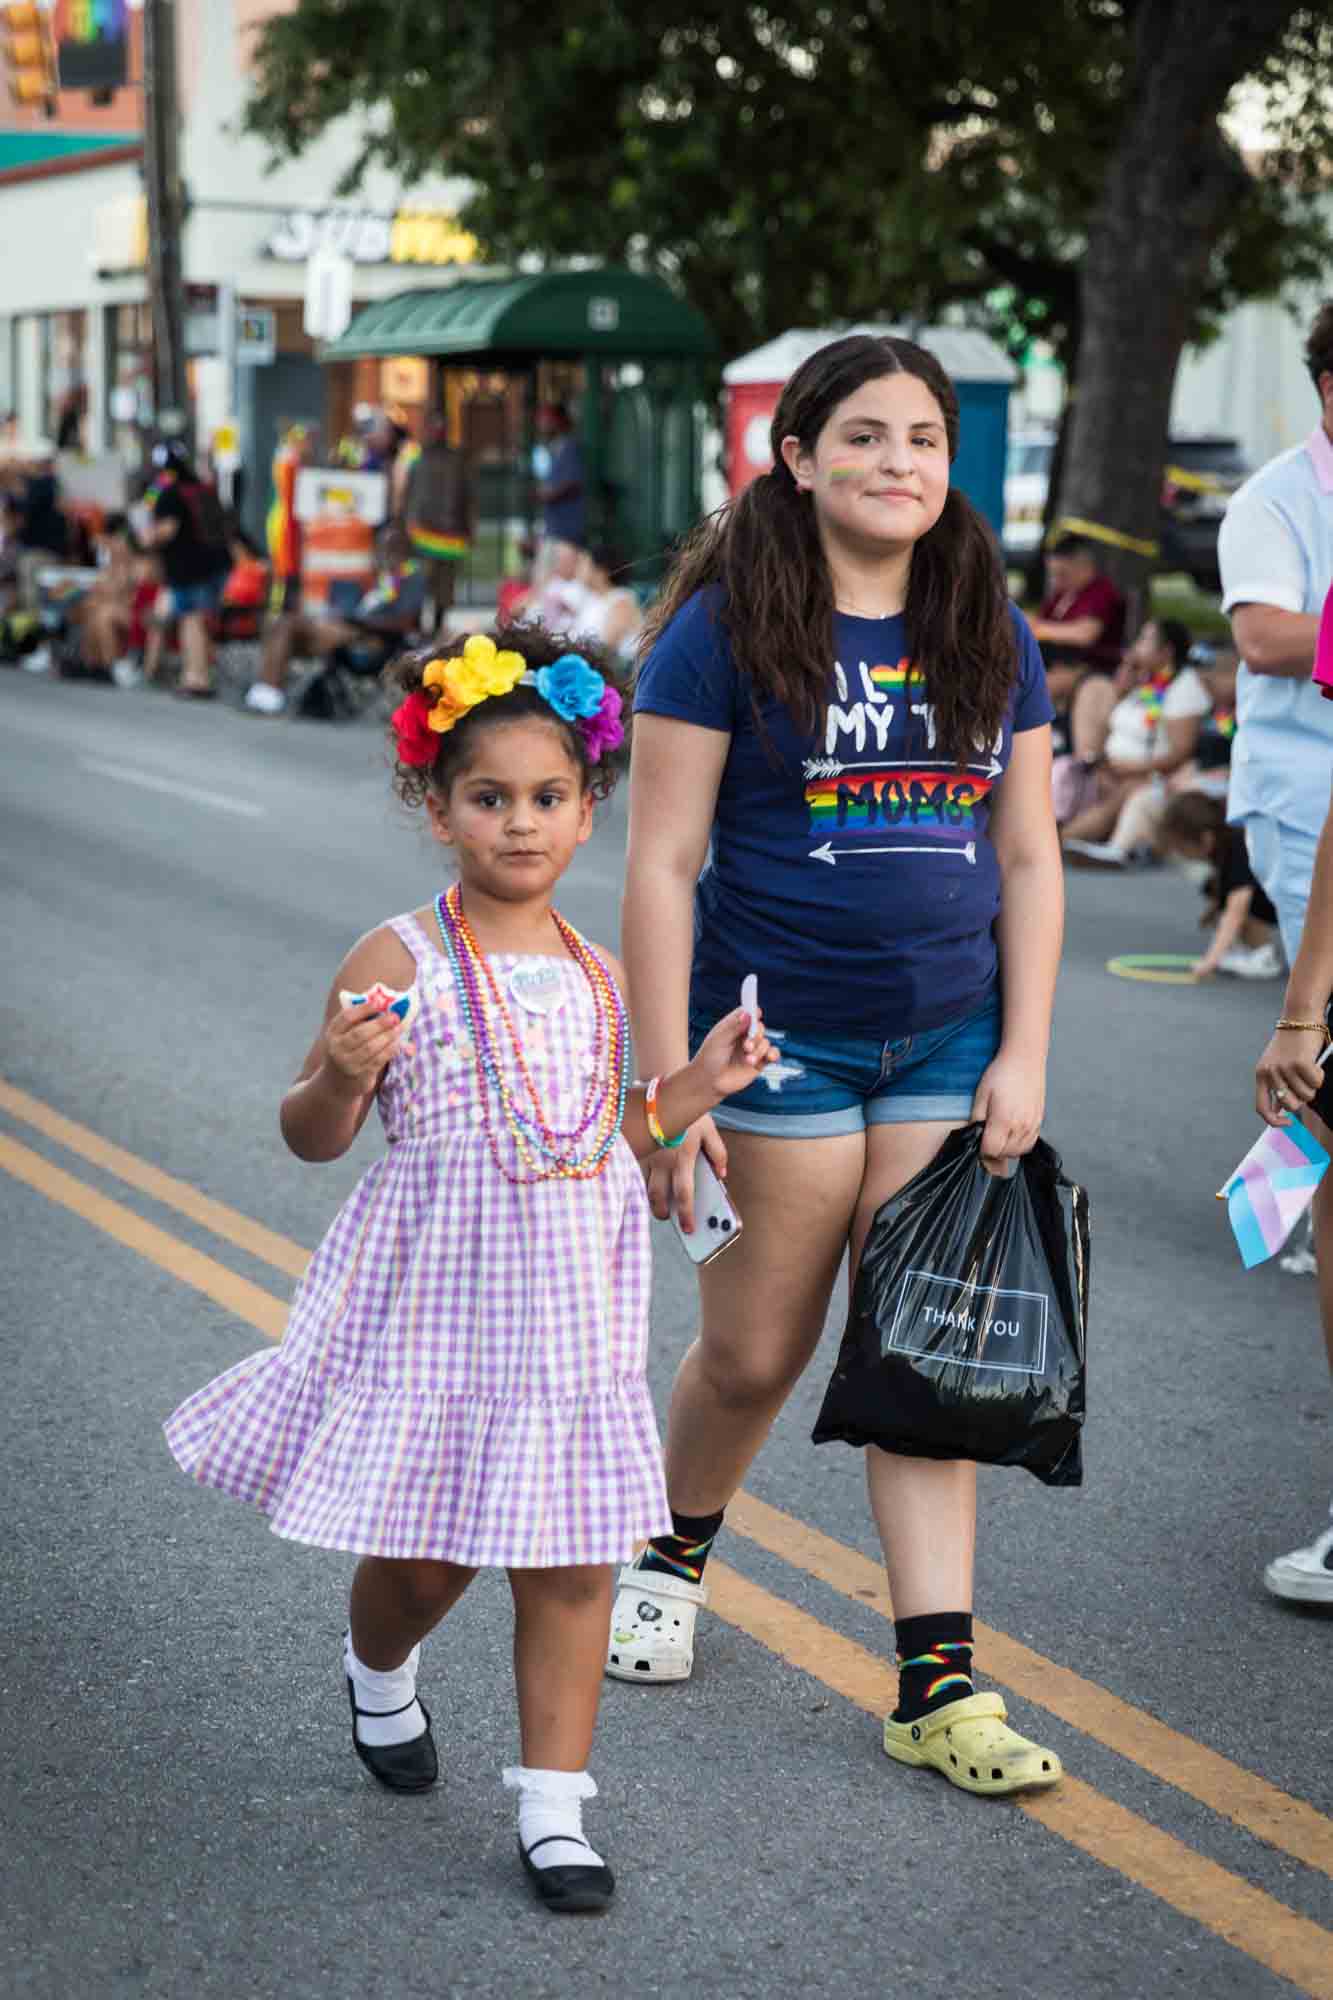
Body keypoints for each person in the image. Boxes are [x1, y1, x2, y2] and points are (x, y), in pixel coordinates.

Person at [163, 624, 775, 1909]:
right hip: (443, 1319)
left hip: (574, 1327)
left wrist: (693, 1089)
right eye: (487, 798)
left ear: (589, 807)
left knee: (571, 1564)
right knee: (431, 1561)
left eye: (548, 798)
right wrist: (335, 1073)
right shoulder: (400, 958)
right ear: (434, 807)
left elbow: (605, 1133)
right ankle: (376, 1666)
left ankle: (555, 1808)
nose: (520, 823)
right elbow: (312, 1133)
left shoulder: (603, 973)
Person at [617, 332, 1066, 1799]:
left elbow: (1027, 851)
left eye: (923, 439)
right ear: (797, 458)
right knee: (755, 1352)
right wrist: (668, 1084)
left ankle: (938, 1683)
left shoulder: (986, 624)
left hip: (944, 1039)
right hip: (775, 1042)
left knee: (921, 1355)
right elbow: (662, 864)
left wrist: (1025, 1054)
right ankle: (670, 1550)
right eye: (863, 437)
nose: (898, 464)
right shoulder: (724, 633)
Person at [1222, 299, 1333, 1598]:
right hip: (1305, 801)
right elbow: (1260, 634)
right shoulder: (1275, 498)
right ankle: (1290, 1181)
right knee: (1318, 1050)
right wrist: (1300, 1013)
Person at [1058, 617, 1207, 863]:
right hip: (1112, 770)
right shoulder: (1146, 682)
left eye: (1145, 640)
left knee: (1126, 791)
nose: (1136, 646)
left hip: (1147, 776)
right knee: (1066, 771)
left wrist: (1134, 768)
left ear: (1166, 651)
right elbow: (1117, 719)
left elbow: (1181, 751)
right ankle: (1047, 836)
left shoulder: (1183, 688)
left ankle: (1062, 841)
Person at [244, 524, 427, 716]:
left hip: (370, 638)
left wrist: (360, 622)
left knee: (289, 626)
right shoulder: (376, 579)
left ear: (405, 549)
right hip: (345, 628)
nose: (386, 552)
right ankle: (267, 690)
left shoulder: (411, 578)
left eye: (393, 546)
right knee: (282, 624)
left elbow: (406, 623)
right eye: (382, 546)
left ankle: (268, 694)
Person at [1159, 791, 1282, 980]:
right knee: (1217, 892)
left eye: (1181, 846)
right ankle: (1246, 949)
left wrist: (1211, 960)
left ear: (1205, 839)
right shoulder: (1225, 843)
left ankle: (1263, 956)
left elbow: (1237, 909)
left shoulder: (1238, 845)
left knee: (1236, 900)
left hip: (1290, 898)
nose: (1180, 853)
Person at [143, 442, 232, 699]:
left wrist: (147, 537)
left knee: (191, 620)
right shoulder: (203, 488)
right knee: (202, 620)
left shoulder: (168, 493)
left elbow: (167, 530)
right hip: (216, 564)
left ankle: (196, 677)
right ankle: (199, 672)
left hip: (187, 568)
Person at [1027, 533, 1127, 710]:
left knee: (1033, 689)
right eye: (1052, 574)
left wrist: (1037, 628)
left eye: (1062, 574)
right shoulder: (1061, 595)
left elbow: (1084, 634)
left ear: (1083, 566)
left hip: (1092, 668)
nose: (1056, 580)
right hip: (1054, 662)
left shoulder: (1101, 591)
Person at [402, 419, 474, 627]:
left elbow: (469, 498)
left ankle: (435, 626)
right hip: (423, 532)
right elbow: (408, 495)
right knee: (420, 581)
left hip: (447, 534)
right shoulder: (418, 459)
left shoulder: (457, 461)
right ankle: (417, 626)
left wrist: (470, 528)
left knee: (442, 584)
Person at [568, 544, 641, 659]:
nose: (578, 569)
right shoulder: (590, 599)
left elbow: (606, 646)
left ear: (601, 572)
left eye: (584, 564)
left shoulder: (621, 600)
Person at [536, 403, 586, 551]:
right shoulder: (555, 447)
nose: (542, 425)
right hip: (555, 528)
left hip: (568, 529)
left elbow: (574, 483)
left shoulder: (571, 447)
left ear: (559, 420)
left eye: (547, 419)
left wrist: (549, 495)